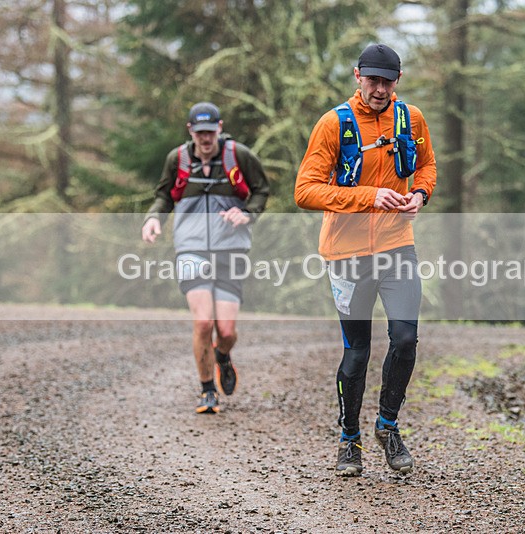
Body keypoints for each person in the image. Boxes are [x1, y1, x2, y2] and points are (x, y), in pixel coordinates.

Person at [295, 44, 437, 475]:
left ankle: (388, 426)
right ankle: (349, 440)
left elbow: (428, 166)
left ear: (398, 80)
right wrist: (369, 196)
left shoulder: (410, 119)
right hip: (347, 253)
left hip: (397, 246)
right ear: (357, 75)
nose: (379, 89)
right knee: (357, 353)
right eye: (371, 80)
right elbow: (305, 191)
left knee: (406, 340)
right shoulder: (333, 124)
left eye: (387, 81)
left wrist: (419, 194)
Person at [142, 101, 269, 414]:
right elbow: (163, 194)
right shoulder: (178, 159)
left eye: (211, 132)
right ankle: (206, 390)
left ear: (220, 128)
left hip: (232, 248)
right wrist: (154, 217)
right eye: (200, 133)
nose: (206, 138)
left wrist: (248, 213)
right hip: (190, 247)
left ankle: (222, 356)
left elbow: (261, 190)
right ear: (190, 131)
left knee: (225, 331)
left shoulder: (239, 156)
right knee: (203, 322)